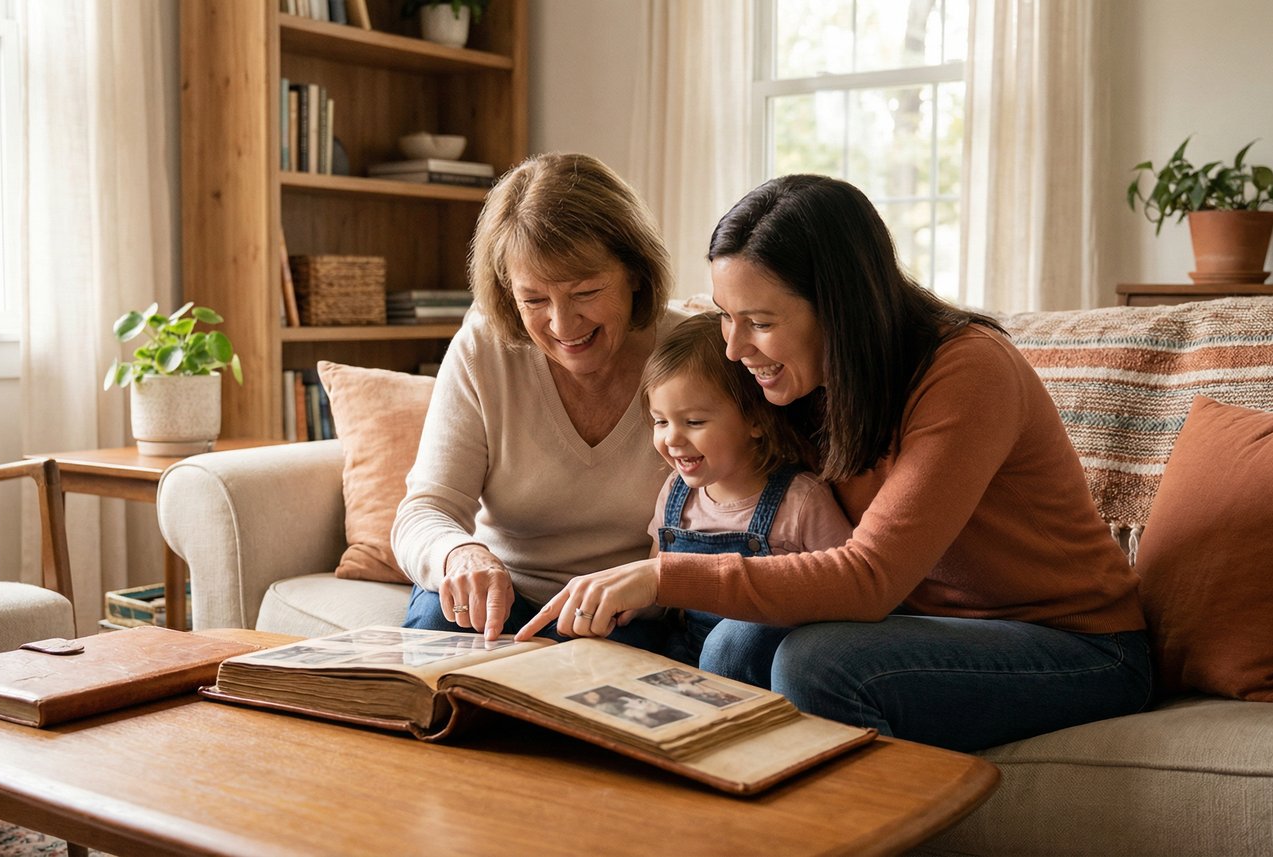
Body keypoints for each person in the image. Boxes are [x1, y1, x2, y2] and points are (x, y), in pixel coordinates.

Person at [518, 174, 1153, 752]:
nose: (735, 348)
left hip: (1078, 646)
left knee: (816, 664)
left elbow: (870, 578)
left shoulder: (967, 370)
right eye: (725, 318)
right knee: (736, 640)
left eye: (760, 322)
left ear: (838, 309)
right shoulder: (802, 379)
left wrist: (659, 575)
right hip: (918, 625)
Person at [391, 152, 688, 647]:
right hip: (500, 600)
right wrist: (459, 554)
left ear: (635, 273)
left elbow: (733, 514)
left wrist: (650, 589)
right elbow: (425, 510)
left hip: (627, 614)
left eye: (586, 291)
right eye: (534, 300)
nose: (562, 325)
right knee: (436, 643)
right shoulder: (483, 348)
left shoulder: (688, 353)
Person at [640, 313, 851, 664]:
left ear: (755, 420)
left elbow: (846, 590)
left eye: (694, 422)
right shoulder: (676, 493)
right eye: (660, 421)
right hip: (687, 653)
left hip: (763, 665)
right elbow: (653, 576)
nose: (672, 438)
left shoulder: (800, 501)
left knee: (732, 646)